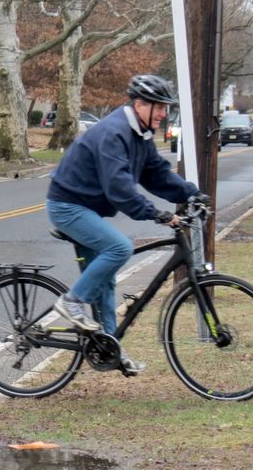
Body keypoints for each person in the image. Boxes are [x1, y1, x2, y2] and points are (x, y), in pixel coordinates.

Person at [45, 74, 201, 374]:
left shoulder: (140, 135)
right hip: (68, 205)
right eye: (158, 107)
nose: (162, 114)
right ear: (140, 104)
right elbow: (119, 189)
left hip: (86, 208)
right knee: (119, 248)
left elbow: (156, 174)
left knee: (106, 279)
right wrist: (157, 213)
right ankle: (72, 303)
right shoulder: (114, 133)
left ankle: (109, 347)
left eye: (165, 108)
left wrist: (193, 193)